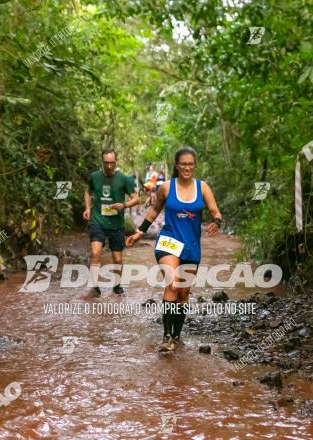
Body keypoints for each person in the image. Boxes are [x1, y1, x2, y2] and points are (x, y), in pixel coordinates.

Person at [125, 147, 223, 352]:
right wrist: (139, 232)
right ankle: (166, 336)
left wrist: (216, 221)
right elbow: (154, 211)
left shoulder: (202, 187)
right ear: (177, 165)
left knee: (184, 292)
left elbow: (216, 211)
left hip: (191, 245)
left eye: (190, 164)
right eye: (183, 164)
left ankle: (177, 336)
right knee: (173, 284)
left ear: (194, 165)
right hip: (169, 241)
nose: (187, 167)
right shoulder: (166, 188)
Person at [83, 149, 139, 296]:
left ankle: (117, 285)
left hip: (116, 224)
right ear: (102, 161)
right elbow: (88, 192)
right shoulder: (94, 176)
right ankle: (95, 287)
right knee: (95, 252)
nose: (109, 166)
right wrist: (88, 208)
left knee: (117, 258)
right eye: (106, 163)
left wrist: (124, 205)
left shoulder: (123, 179)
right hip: (98, 220)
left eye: (111, 163)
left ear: (116, 162)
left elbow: (136, 198)